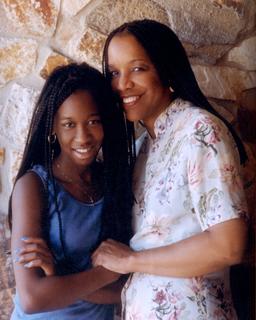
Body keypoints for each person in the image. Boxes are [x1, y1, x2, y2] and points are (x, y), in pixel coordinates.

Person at [92, 19, 249, 319]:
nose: (122, 83)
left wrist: (130, 261)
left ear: (165, 69)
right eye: (114, 72)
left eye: (137, 68)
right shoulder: (143, 149)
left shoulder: (200, 130)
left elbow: (229, 245)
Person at [9, 62, 134, 319]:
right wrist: (106, 272)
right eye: (69, 124)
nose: (83, 137)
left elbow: (124, 289)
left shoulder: (113, 182)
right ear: (52, 128)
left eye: (93, 121)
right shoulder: (34, 187)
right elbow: (33, 298)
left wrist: (58, 277)